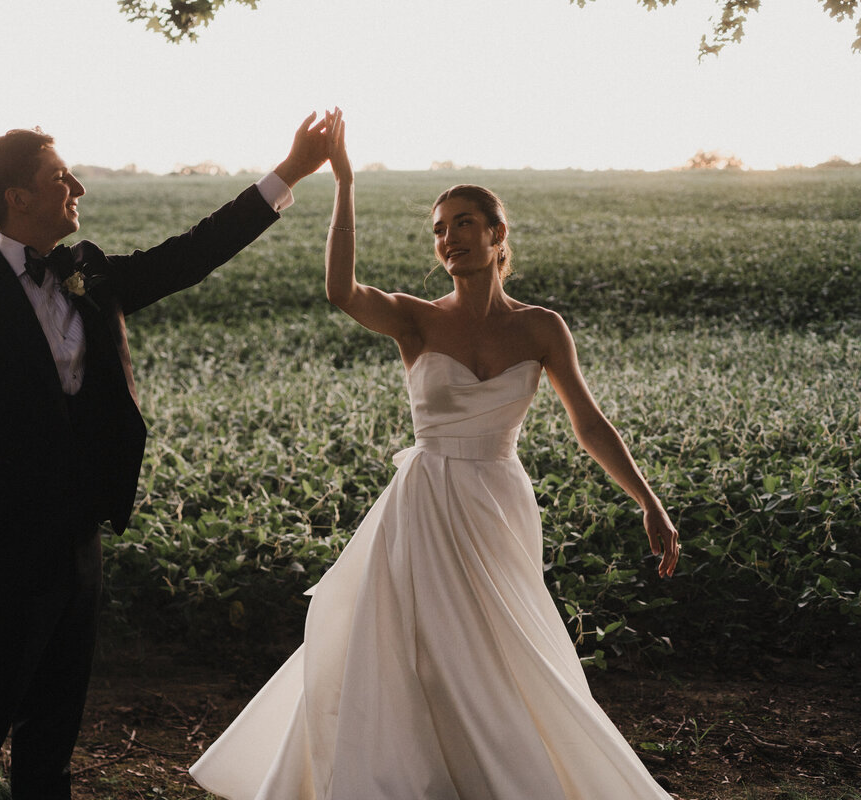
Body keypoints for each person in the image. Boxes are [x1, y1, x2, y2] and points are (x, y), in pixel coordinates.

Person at [189, 110, 682, 799]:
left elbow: (589, 423)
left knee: (506, 648)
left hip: (497, 500)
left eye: (463, 224)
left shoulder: (542, 327)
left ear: (496, 234)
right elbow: (340, 292)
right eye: (440, 229)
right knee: (415, 649)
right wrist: (346, 182)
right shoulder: (416, 318)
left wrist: (649, 502)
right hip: (424, 501)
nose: (449, 239)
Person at [0, 114, 331, 800]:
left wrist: (288, 172)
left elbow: (190, 255)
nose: (78, 186)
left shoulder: (89, 274)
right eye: (61, 177)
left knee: (53, 731)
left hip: (78, 542)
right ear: (17, 197)